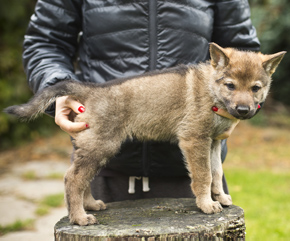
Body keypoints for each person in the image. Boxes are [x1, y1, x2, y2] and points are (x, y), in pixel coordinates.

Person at [23, 0, 260, 203]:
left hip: (189, 177)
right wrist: (58, 90)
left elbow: (245, 58)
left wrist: (239, 105)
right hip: (106, 173)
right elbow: (45, 42)